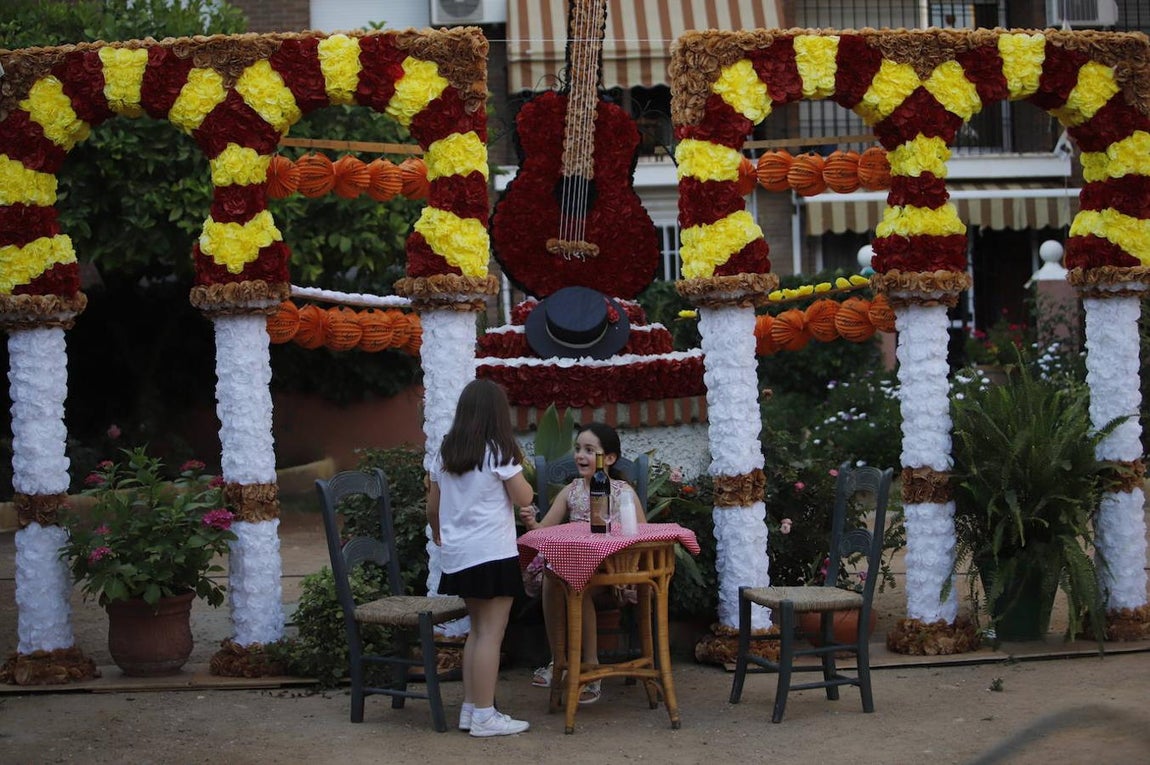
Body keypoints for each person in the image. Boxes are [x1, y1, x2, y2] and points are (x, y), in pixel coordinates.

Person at [428, 379, 535, 737]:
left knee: (477, 631)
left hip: (459, 555)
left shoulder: (446, 452)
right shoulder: (499, 451)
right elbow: (524, 497)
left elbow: (432, 506)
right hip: (491, 552)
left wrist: (440, 535)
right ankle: (486, 717)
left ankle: (471, 708)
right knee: (491, 633)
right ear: (497, 414)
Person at [517, 422, 644, 705]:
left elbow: (642, 536)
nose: (580, 456)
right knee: (555, 576)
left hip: (610, 573)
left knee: (579, 584)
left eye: (589, 450)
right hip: (572, 568)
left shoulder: (623, 492)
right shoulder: (571, 491)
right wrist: (529, 521)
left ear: (608, 459)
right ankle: (558, 660)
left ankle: (591, 668)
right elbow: (543, 532)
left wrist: (628, 575)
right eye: (577, 449)